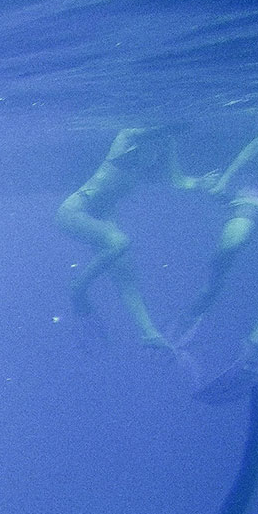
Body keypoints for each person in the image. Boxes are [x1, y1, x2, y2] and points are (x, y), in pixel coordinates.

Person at [180, 104, 258, 402]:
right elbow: (256, 147)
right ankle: (206, 297)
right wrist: (225, 181)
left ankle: (254, 346)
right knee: (230, 245)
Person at [55, 125, 208, 358]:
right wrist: (172, 125)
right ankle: (79, 287)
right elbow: (141, 132)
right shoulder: (127, 139)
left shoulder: (166, 143)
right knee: (120, 242)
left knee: (126, 275)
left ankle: (149, 334)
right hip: (75, 211)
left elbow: (179, 181)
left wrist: (200, 182)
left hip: (104, 218)